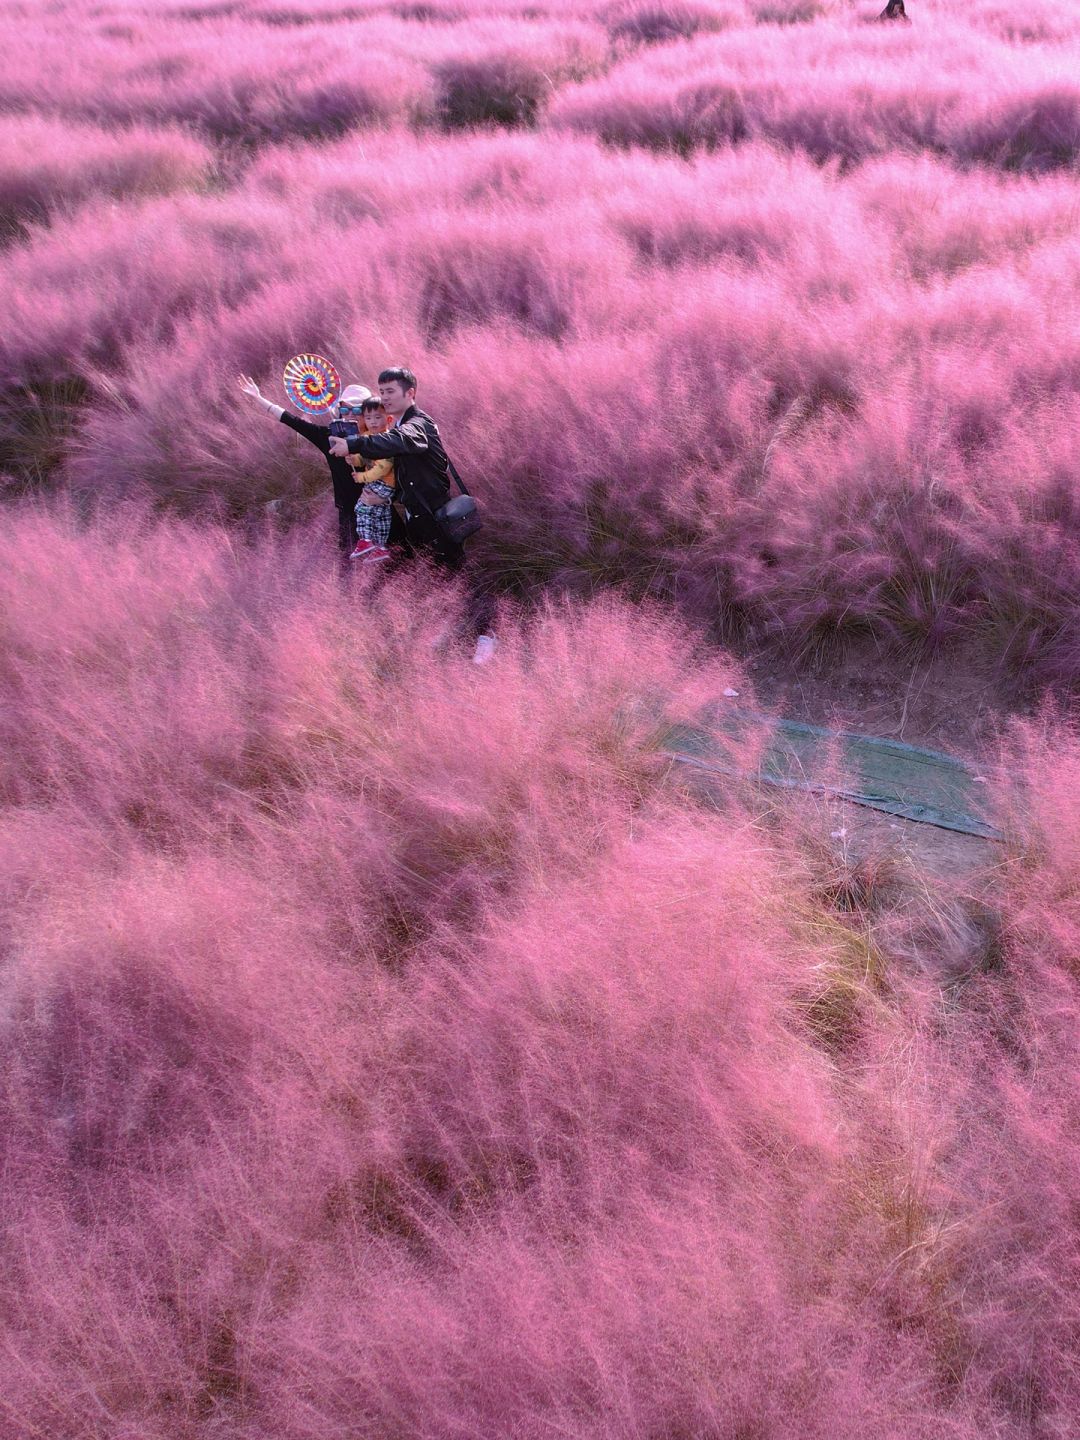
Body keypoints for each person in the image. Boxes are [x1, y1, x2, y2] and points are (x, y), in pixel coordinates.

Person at [329, 367, 496, 660]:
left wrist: (355, 443)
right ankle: (459, 631)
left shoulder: (418, 425)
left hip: (436, 520)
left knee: (459, 576)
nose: (385, 398)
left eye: (391, 391)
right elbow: (401, 475)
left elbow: (401, 441)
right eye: (381, 392)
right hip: (418, 522)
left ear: (411, 393)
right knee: (439, 579)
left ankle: (488, 634)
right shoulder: (399, 426)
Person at [237, 373, 372, 553]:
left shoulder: (378, 439)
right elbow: (292, 420)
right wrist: (259, 397)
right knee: (350, 563)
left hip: (378, 511)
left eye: (356, 410)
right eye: (345, 410)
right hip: (349, 515)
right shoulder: (328, 437)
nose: (350, 415)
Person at [348, 396, 397, 563]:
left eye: (378, 417)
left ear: (388, 419)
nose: (373, 422)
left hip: (385, 483)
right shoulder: (367, 436)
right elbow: (363, 458)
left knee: (362, 507)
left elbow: (383, 468)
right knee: (381, 514)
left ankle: (365, 540)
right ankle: (380, 546)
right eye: (368, 418)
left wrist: (362, 477)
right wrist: (354, 460)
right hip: (377, 483)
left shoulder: (387, 439)